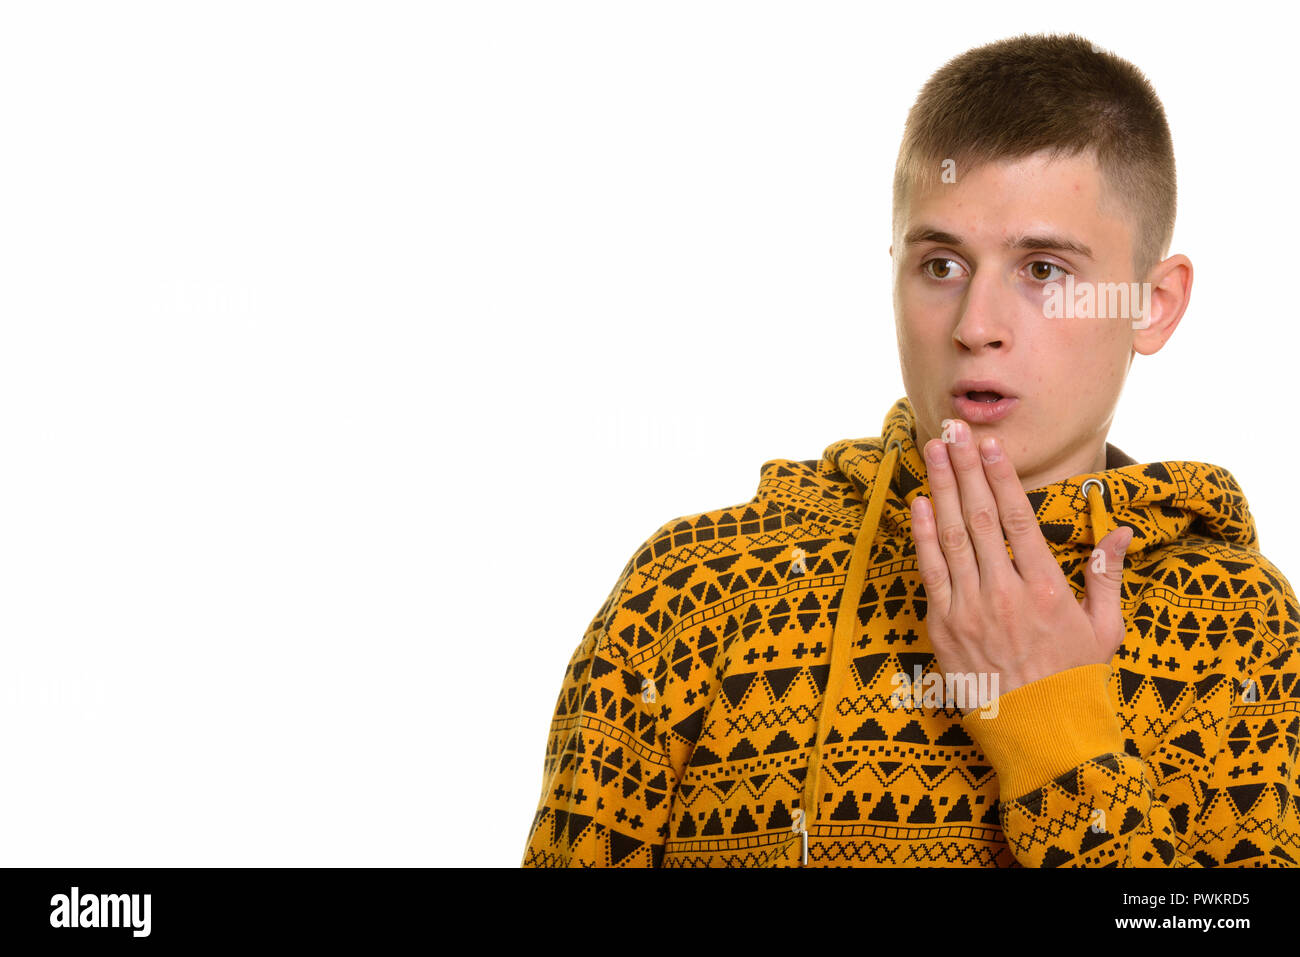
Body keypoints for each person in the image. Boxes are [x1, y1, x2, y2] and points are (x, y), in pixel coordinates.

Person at [520, 32, 1300, 867]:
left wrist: (1057, 732)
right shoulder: (687, 593)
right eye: (940, 265)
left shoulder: (1242, 634)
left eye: (1042, 269)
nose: (975, 327)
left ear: (1153, 302)